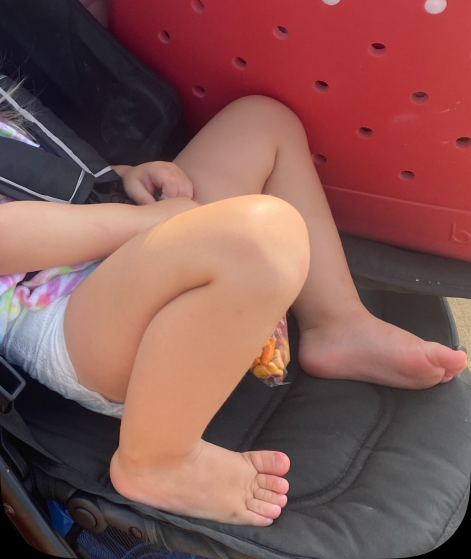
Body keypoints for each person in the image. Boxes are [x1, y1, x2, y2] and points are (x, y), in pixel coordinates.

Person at [0, 94, 467, 527]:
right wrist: (140, 221)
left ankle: (336, 321)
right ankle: (157, 458)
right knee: (260, 239)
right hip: (63, 320)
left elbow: (39, 175)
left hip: (107, 245)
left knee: (261, 122)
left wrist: (123, 175)